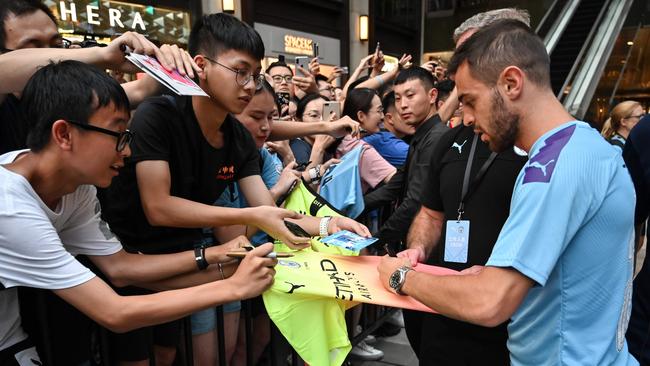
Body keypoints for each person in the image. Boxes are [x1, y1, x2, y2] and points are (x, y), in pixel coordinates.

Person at [101, 13, 368, 366]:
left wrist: (328, 226)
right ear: (201, 65)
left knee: (167, 354)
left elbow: (267, 212)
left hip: (182, 259)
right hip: (129, 257)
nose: (249, 85)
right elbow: (159, 206)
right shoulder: (158, 115)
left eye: (255, 75)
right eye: (240, 71)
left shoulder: (238, 137)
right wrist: (250, 215)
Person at [378, 19, 638, 366]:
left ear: (512, 83)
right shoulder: (587, 146)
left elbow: (489, 302)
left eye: (470, 101)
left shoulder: (552, 168)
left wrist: (400, 277)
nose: (466, 118)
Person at [0, 60, 278, 366]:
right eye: (118, 134)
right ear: (64, 134)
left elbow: (121, 268)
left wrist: (214, 256)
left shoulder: (77, 186)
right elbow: (114, 312)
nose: (127, 151)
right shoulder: (11, 209)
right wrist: (232, 287)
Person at [0, 0, 198, 154]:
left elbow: (141, 89)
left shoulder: (66, 100)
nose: (48, 54)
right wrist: (102, 55)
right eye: (31, 47)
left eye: (56, 44)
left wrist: (169, 61)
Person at [363, 67, 449, 249]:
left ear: (432, 96)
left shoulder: (436, 137)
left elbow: (415, 200)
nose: (402, 105)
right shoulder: (421, 135)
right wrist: (351, 207)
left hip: (425, 241)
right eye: (398, 98)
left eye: (410, 96)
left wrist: (378, 239)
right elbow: (395, 185)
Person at [362, 91, 411, 167]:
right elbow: (424, 157)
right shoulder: (382, 140)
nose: (411, 118)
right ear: (390, 118)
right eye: (405, 114)